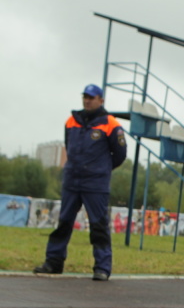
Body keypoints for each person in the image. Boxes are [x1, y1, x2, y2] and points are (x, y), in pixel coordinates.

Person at [33, 84, 127, 281]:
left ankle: (102, 267)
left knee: (98, 225)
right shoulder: (71, 121)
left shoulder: (111, 124)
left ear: (101, 100)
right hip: (72, 181)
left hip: (96, 184)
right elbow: (69, 145)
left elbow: (119, 155)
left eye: (91, 97)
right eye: (85, 97)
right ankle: (53, 262)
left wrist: (100, 170)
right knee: (64, 222)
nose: (87, 100)